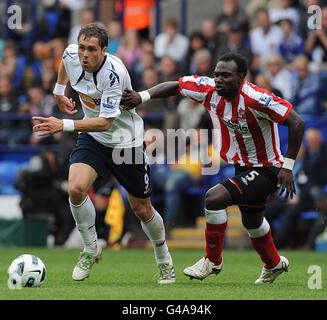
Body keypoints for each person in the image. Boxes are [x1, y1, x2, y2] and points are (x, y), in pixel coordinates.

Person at [122, 52, 305, 284]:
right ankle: (273, 264)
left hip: (267, 168)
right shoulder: (208, 90)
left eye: (226, 75)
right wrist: (142, 96)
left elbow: (297, 122)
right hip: (241, 166)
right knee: (252, 222)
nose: (218, 79)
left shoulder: (257, 98)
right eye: (216, 74)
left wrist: (287, 167)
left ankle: (212, 261)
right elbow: (176, 85)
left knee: (213, 198)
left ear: (241, 77)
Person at [32, 23, 175, 284]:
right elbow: (65, 62)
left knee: (141, 208)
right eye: (82, 48)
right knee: (75, 188)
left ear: (104, 51)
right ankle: (90, 248)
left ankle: (164, 259)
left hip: (125, 142)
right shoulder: (71, 55)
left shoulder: (114, 74)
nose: (84, 54)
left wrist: (62, 124)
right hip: (93, 138)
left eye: (92, 50)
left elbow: (106, 122)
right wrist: (58, 91)